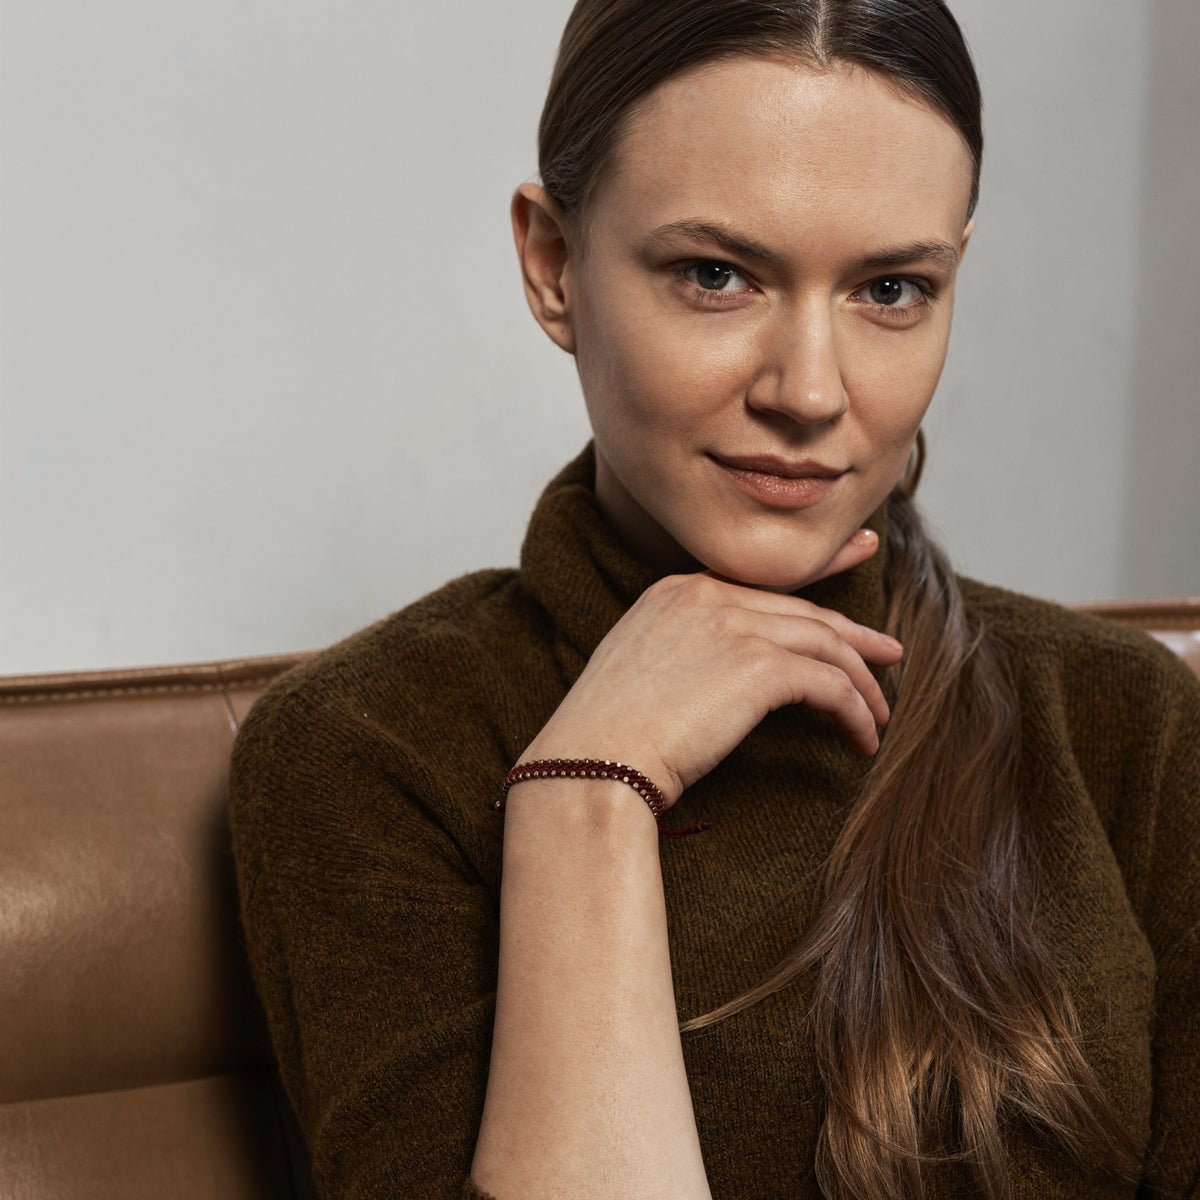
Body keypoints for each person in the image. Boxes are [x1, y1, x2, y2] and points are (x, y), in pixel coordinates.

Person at [229, 1, 1200, 1197]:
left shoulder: (1126, 722)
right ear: (553, 266)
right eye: (716, 275)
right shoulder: (369, 749)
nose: (810, 391)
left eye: (891, 289)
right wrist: (584, 796)